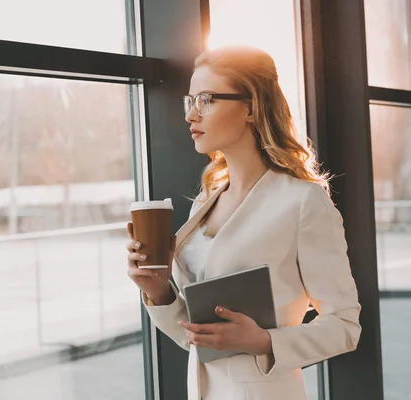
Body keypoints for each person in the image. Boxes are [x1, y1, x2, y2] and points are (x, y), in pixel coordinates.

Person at [125, 46, 361, 400]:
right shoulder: (205, 203)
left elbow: (345, 326)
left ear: (250, 107)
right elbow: (201, 337)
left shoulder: (302, 202)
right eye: (189, 101)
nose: (191, 115)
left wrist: (265, 341)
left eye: (206, 100)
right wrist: (158, 290)